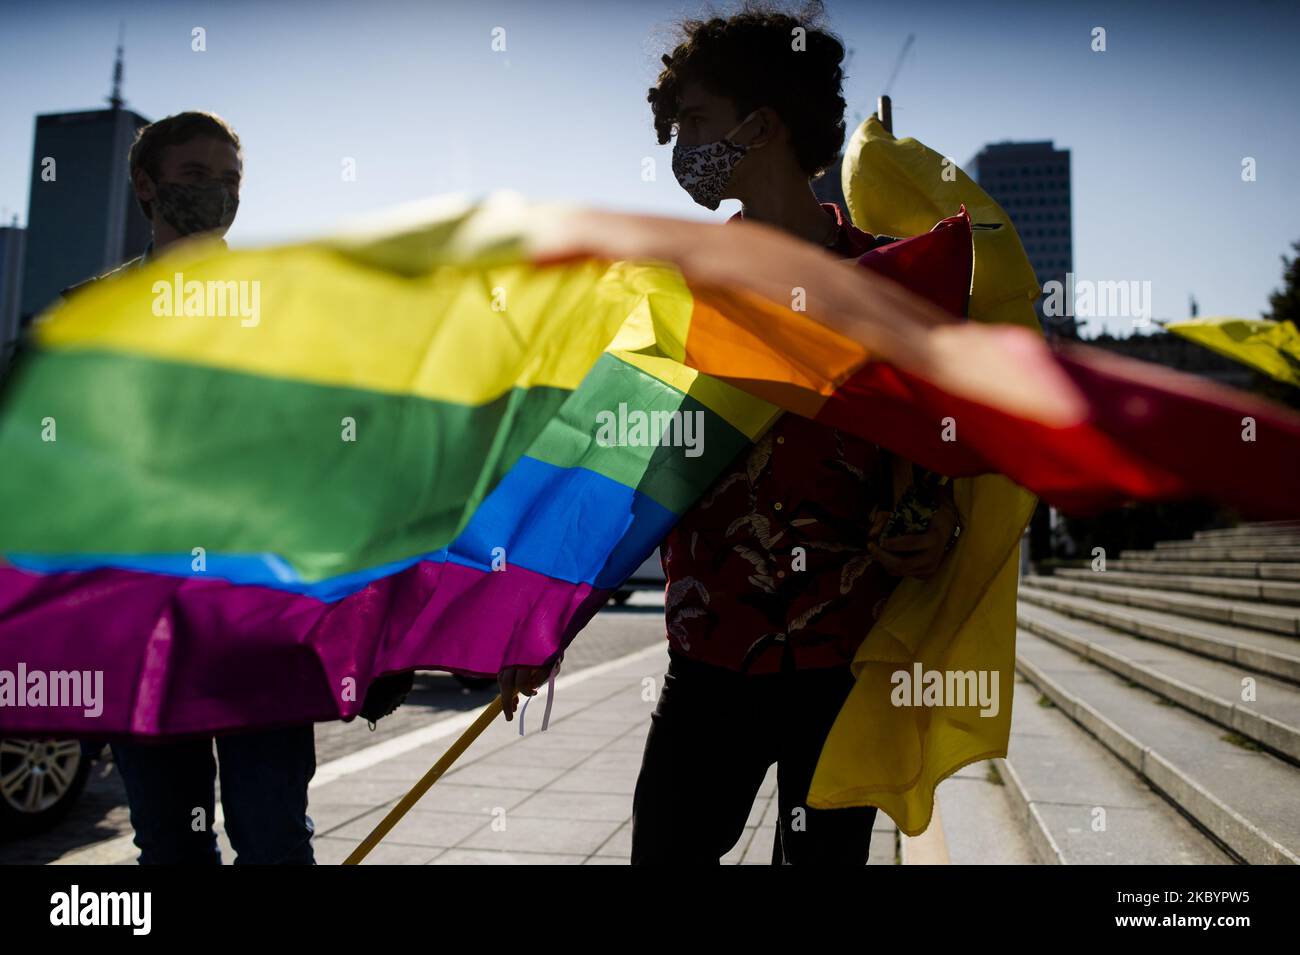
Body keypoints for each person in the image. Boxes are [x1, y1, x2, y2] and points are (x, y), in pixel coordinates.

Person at [628, 3, 963, 864]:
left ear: (762, 125)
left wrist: (936, 528)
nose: (680, 148)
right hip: (708, 658)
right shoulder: (682, 289)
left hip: (842, 666)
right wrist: (541, 609)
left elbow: (931, 461)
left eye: (694, 120)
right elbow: (624, 462)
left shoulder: (895, 288)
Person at [68, 111, 318, 865]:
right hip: (145, 623)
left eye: (230, 180)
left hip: (258, 617)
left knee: (273, 834)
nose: (218, 194)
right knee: (171, 844)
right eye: (195, 177)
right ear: (145, 186)